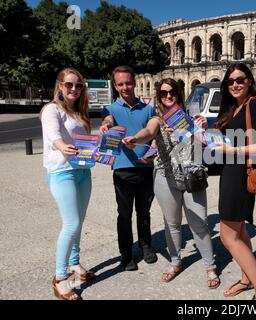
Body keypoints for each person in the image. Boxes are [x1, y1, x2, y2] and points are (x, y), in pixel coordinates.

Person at [122, 78, 221, 289]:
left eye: (172, 92)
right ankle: (176, 262)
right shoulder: (157, 119)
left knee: (200, 223)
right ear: (159, 96)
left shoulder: (194, 117)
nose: (168, 96)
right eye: (164, 93)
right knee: (172, 224)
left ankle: (210, 265)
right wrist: (135, 139)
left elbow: (207, 144)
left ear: (179, 94)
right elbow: (148, 132)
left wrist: (201, 128)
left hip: (192, 176)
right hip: (165, 177)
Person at [212, 63, 256, 300]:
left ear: (249, 81)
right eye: (230, 81)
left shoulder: (254, 105)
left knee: (227, 237)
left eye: (240, 79)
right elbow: (228, 139)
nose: (235, 84)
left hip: (240, 176)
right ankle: (246, 279)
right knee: (240, 232)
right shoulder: (235, 108)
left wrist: (230, 151)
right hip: (231, 173)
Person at [41, 68, 95, 300]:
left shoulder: (79, 112)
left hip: (82, 171)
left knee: (79, 221)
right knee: (71, 223)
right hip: (62, 171)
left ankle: (74, 263)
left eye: (78, 85)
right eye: (69, 85)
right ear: (60, 86)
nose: (74, 89)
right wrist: (62, 146)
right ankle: (60, 277)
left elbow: (86, 142)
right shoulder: (52, 109)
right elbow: (53, 135)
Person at [99, 66, 157, 271]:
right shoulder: (110, 109)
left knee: (144, 211)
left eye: (128, 82)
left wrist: (151, 152)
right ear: (116, 86)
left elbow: (153, 134)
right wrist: (106, 126)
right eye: (120, 84)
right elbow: (107, 120)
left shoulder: (148, 108)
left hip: (145, 168)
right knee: (124, 214)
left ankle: (146, 245)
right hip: (122, 169)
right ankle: (126, 254)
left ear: (134, 83)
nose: (125, 87)